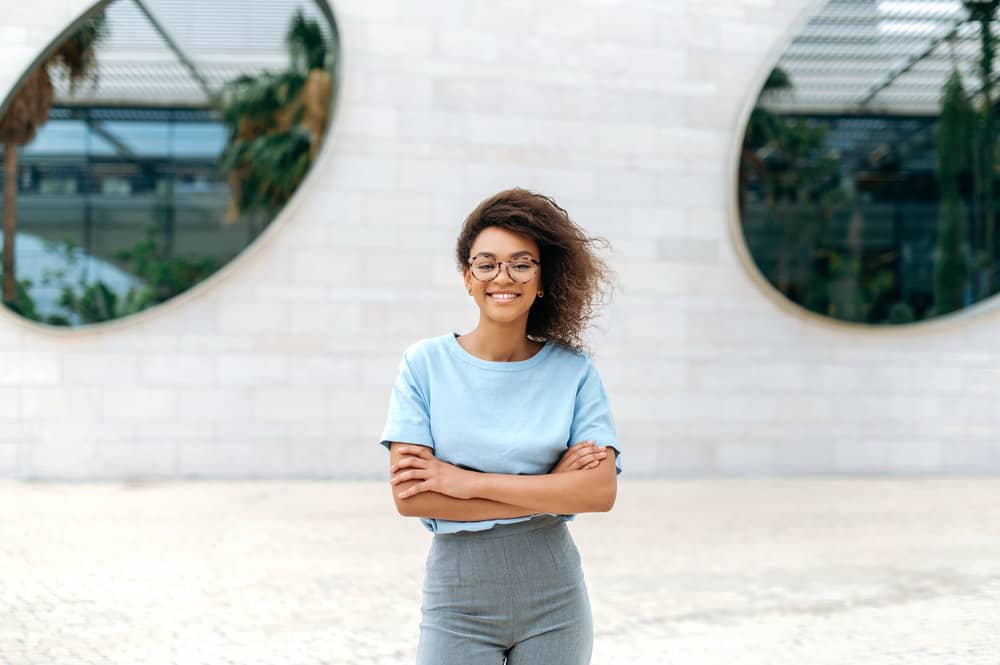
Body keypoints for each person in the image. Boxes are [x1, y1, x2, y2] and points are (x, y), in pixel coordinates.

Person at [378, 188, 621, 665]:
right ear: (467, 278)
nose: (502, 277)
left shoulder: (574, 372)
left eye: (521, 263)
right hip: (457, 602)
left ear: (543, 279)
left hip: (557, 601)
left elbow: (599, 492)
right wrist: (552, 485)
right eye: (486, 264)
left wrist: (464, 482)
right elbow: (414, 498)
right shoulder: (423, 364)